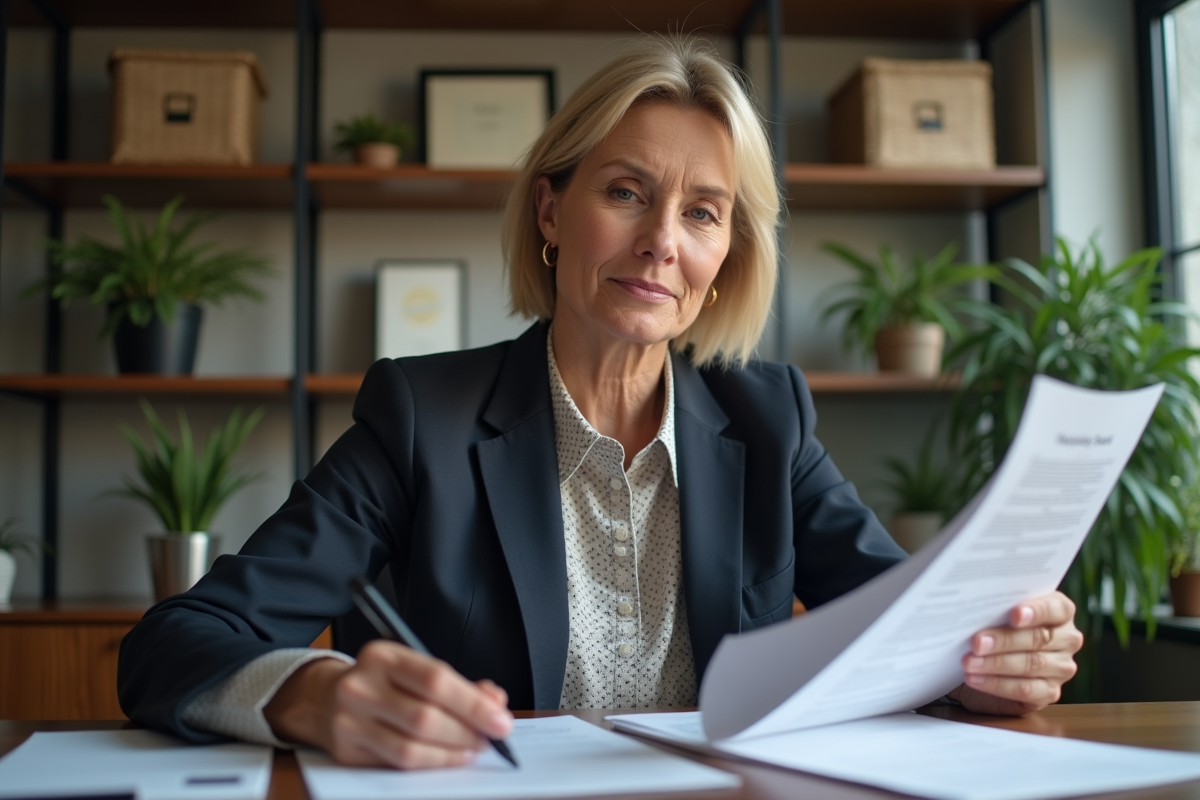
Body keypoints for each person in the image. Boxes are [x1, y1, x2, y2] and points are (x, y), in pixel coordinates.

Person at [118, 36, 1083, 770]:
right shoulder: (423, 415)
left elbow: (902, 634)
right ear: (550, 211)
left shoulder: (768, 419)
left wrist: (986, 669)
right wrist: (313, 694)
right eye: (626, 192)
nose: (663, 240)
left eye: (703, 212)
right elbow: (172, 645)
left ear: (724, 258)